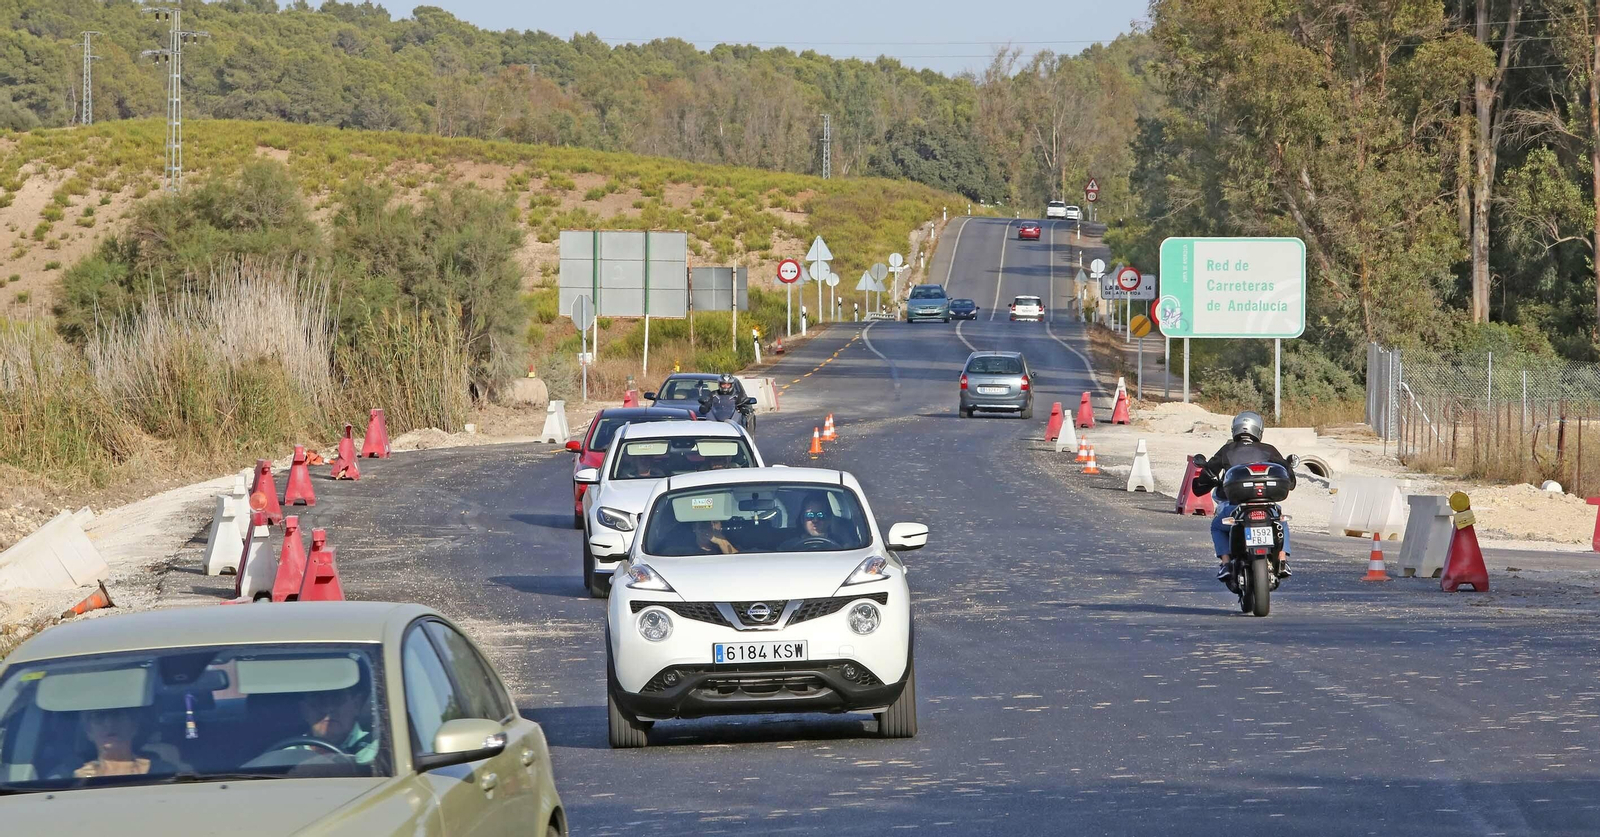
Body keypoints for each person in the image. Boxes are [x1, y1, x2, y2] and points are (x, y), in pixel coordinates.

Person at [1192, 411, 1296, 582]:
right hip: (1267, 507)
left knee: (1217, 527)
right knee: (1280, 520)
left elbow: (1206, 476)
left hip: (1235, 508)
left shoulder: (1227, 450)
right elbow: (1289, 480)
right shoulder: (1269, 450)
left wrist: (1206, 480)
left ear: (1235, 429)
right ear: (1259, 430)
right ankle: (1283, 560)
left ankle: (1226, 563)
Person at [71, 706, 177, 778]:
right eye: (98, 717)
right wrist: (78, 785)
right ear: (88, 732)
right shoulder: (67, 776)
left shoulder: (164, 772)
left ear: (134, 726)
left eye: (117, 715)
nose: (109, 723)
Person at [293, 680, 379, 765]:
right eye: (318, 698)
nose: (328, 708)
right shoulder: (285, 755)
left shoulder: (378, 752)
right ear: (304, 710)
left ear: (356, 705)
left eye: (337, 697)